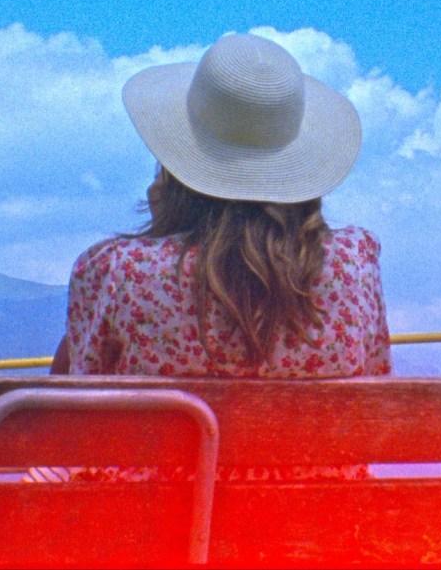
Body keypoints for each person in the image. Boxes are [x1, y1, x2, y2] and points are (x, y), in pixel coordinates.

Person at [34, 32, 390, 482]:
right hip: (322, 522)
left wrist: (163, 234)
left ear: (177, 166)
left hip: (151, 524)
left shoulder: (117, 270)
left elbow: (73, 419)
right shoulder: (356, 264)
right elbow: (375, 387)